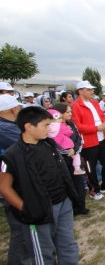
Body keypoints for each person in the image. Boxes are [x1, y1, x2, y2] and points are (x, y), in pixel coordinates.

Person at [0, 106, 81, 264]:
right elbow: (4, 187)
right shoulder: (12, 155)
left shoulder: (49, 145)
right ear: (29, 126)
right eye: (45, 125)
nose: (50, 129)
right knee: (43, 253)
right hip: (38, 211)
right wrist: (26, 208)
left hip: (63, 203)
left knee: (68, 245)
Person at [71, 80, 105, 200]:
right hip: (88, 142)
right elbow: (78, 126)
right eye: (89, 90)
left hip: (102, 139)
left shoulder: (95, 103)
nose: (92, 91)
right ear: (80, 91)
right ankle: (94, 190)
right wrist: (96, 128)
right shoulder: (75, 105)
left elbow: (103, 117)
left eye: (92, 89)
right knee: (90, 168)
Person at [0, 94, 29, 264]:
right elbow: (29, 144)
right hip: (11, 185)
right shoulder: (6, 128)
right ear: (14, 109)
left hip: (10, 182)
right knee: (20, 229)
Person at [52, 102, 89, 216]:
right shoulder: (52, 127)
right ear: (59, 114)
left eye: (70, 111)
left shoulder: (72, 124)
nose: (70, 114)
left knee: (78, 183)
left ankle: (80, 206)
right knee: (67, 184)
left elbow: (78, 139)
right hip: (61, 159)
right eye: (67, 112)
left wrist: (74, 149)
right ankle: (69, 209)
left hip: (74, 157)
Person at [47, 109, 85, 175]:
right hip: (67, 146)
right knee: (76, 157)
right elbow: (70, 133)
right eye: (67, 112)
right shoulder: (62, 125)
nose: (70, 113)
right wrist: (69, 129)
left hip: (58, 148)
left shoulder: (49, 128)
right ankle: (77, 169)